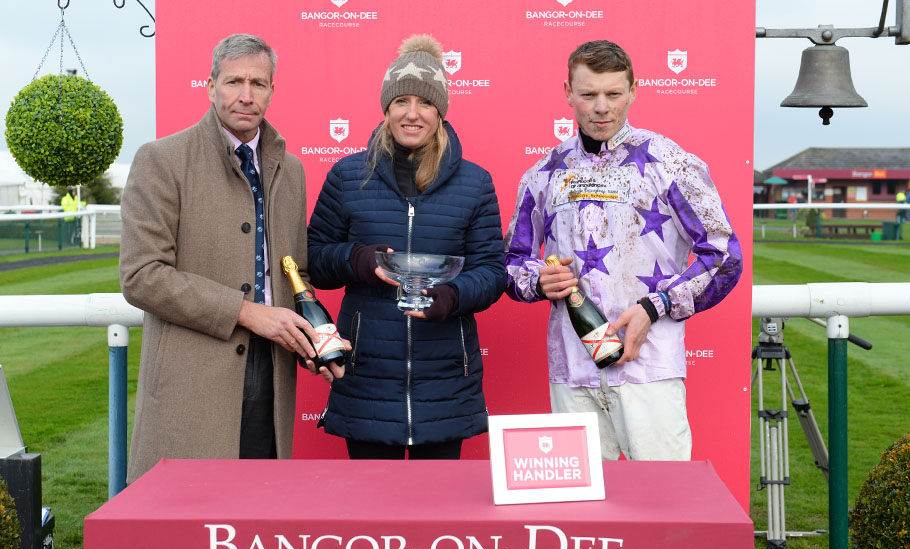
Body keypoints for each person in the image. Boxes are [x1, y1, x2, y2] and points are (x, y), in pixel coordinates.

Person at [120, 34, 346, 483]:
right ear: (210, 87)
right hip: (191, 384)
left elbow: (293, 273)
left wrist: (309, 340)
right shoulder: (161, 159)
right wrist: (249, 313)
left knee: (258, 510)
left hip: (272, 377)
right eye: (234, 82)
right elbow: (142, 275)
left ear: (272, 91)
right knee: (187, 515)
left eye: (258, 83)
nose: (246, 95)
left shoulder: (291, 169)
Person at [504, 40, 742, 461]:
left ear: (633, 91)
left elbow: (724, 257)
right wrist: (537, 281)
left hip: (649, 370)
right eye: (588, 94)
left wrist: (655, 306)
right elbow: (510, 264)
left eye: (613, 94)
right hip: (572, 371)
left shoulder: (671, 163)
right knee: (582, 500)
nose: (601, 108)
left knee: (664, 495)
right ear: (568, 92)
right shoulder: (543, 174)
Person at [306, 34, 506, 460]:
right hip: (367, 377)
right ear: (386, 108)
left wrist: (451, 297)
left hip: (445, 381)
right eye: (401, 101)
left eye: (425, 102)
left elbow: (492, 271)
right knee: (373, 500)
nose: (412, 114)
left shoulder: (475, 183)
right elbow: (316, 261)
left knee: (439, 500)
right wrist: (358, 259)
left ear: (441, 111)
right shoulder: (347, 176)